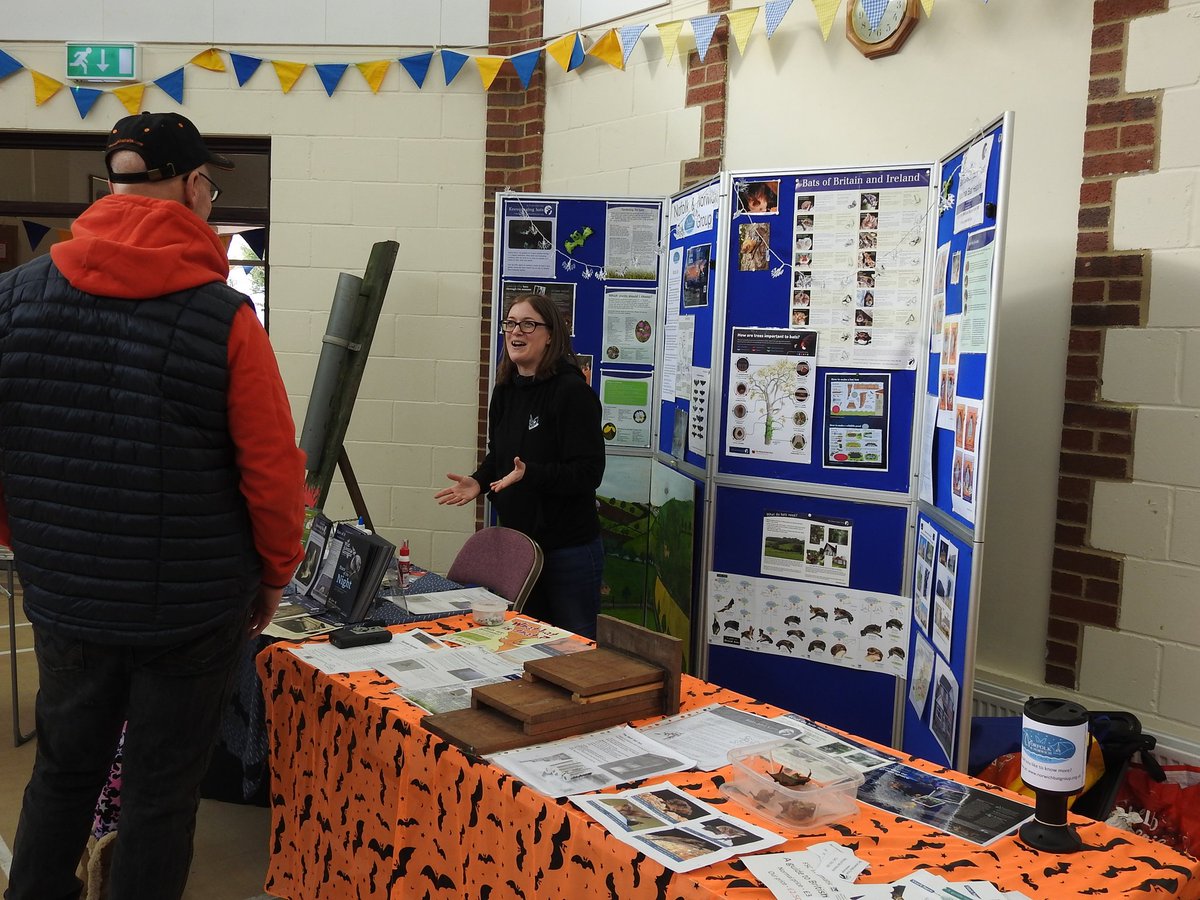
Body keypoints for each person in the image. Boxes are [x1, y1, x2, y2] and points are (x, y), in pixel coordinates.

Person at [0, 111, 305, 900]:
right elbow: (271, 471)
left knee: (61, 777)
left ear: (112, 184)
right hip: (192, 612)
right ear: (194, 188)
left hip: (67, 600)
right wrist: (275, 573)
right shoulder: (225, 317)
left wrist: (33, 546)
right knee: (160, 799)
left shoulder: (14, 300)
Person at [435, 293, 605, 638]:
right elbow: (499, 456)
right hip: (520, 550)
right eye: (510, 323)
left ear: (551, 336)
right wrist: (480, 482)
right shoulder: (505, 391)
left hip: (567, 550)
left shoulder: (572, 392)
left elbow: (589, 473)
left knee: (574, 647)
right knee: (523, 644)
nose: (516, 331)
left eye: (529, 324)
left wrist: (532, 474)